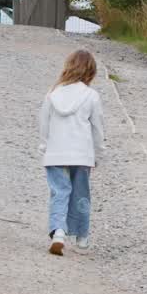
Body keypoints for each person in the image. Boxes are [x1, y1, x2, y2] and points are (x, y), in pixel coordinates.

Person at [38, 49, 105, 256]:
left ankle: (58, 232)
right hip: (82, 154)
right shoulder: (91, 96)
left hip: (56, 152)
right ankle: (82, 236)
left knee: (59, 191)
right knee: (81, 193)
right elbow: (97, 128)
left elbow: (44, 123)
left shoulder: (52, 93)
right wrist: (99, 153)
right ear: (90, 72)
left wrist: (44, 146)